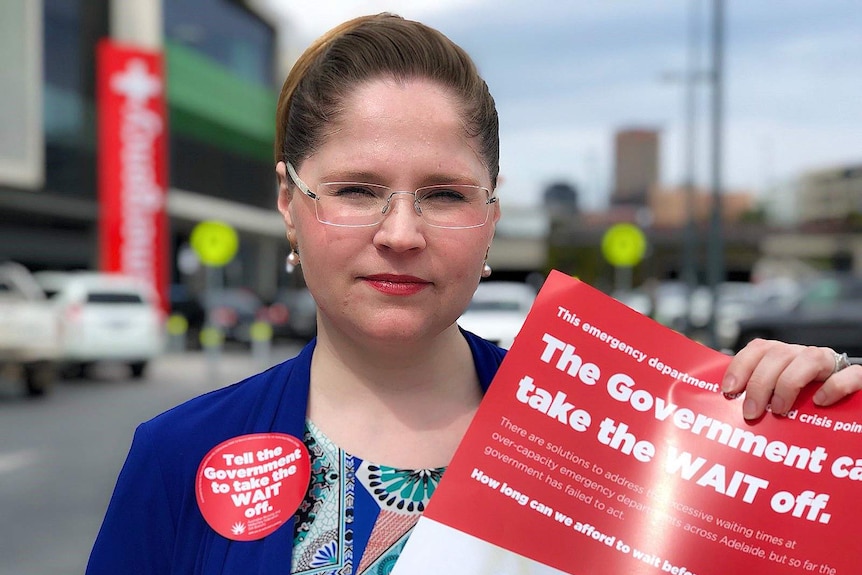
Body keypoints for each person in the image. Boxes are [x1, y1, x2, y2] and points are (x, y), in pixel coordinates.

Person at [86, 13, 862, 575]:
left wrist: (805, 446)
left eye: (445, 194)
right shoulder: (177, 456)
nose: (400, 232)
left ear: (491, 216)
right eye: (357, 188)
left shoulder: (636, 444)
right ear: (290, 204)